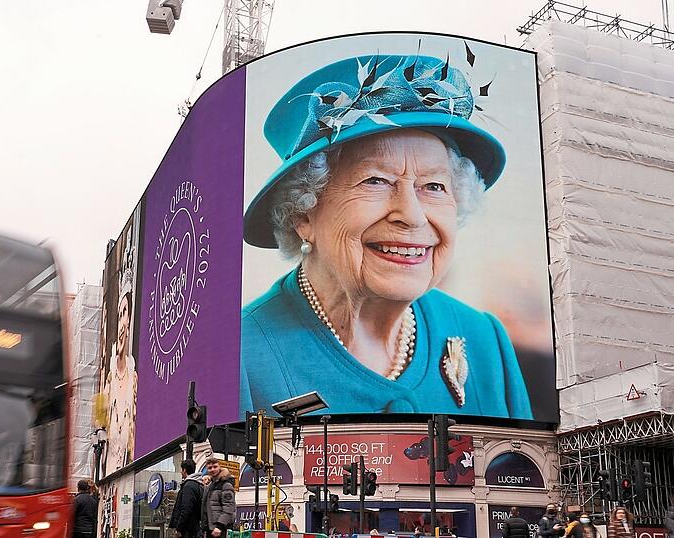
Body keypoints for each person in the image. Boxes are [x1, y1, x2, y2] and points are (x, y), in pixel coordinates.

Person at [240, 51, 532, 419]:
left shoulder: (486, 341)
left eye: (434, 186)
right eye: (376, 180)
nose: (411, 215)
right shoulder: (241, 357)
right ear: (303, 214)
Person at [104, 290, 138, 476]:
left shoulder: (134, 378)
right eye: (119, 314)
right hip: (108, 472)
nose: (122, 323)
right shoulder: (109, 377)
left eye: (126, 313)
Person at [201, 458, 236, 538]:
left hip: (221, 529)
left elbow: (229, 507)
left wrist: (219, 526)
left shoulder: (226, 484)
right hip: (211, 529)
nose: (212, 469)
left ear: (220, 467)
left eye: (215, 466)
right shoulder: (210, 485)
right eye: (210, 468)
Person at [169, 460, 204, 538]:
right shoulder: (198, 484)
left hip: (188, 530)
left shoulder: (188, 486)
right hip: (194, 528)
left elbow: (186, 509)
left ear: (184, 470)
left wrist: (179, 528)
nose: (181, 472)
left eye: (182, 470)